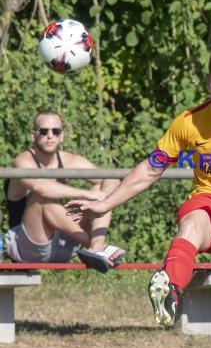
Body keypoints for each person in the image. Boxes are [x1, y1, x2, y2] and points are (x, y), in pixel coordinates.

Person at [67, 46, 211, 348]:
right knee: (191, 223)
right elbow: (150, 168)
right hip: (210, 202)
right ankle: (169, 288)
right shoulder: (189, 121)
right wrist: (105, 204)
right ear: (208, 83)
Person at [3, 110, 126, 273]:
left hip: (64, 241)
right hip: (29, 246)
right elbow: (41, 188)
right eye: (43, 131)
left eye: (55, 131)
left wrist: (100, 198)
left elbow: (112, 180)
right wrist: (86, 194)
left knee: (101, 187)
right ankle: (95, 246)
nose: (49, 136)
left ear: (62, 136)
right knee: (41, 198)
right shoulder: (24, 160)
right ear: (33, 135)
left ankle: (97, 246)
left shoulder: (70, 160)